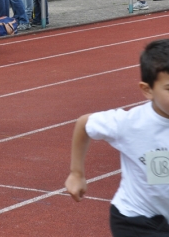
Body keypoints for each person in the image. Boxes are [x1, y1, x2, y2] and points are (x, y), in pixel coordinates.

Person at [64, 39, 169, 236]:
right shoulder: (129, 123)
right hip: (135, 219)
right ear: (147, 90)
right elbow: (85, 124)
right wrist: (76, 173)